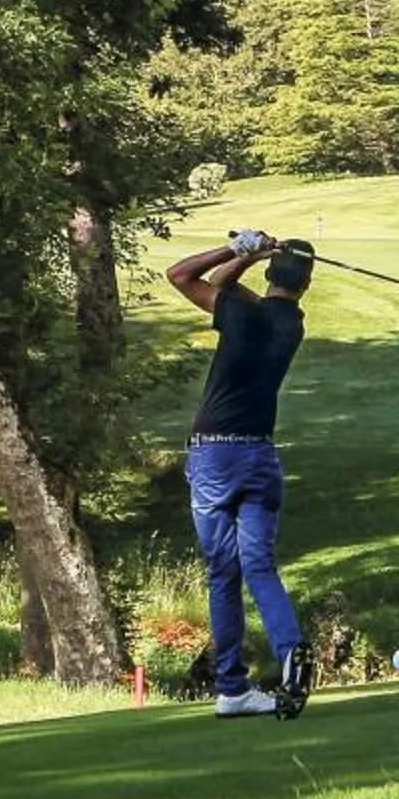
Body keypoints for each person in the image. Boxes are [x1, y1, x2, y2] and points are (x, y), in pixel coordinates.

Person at [165, 229, 317, 719]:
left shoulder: (238, 313)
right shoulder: (292, 324)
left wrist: (242, 250)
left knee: (222, 574)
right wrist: (257, 257)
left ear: (271, 272)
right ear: (306, 284)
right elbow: (237, 293)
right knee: (259, 566)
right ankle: (289, 647)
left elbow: (183, 275)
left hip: (213, 457)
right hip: (259, 457)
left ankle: (231, 687)